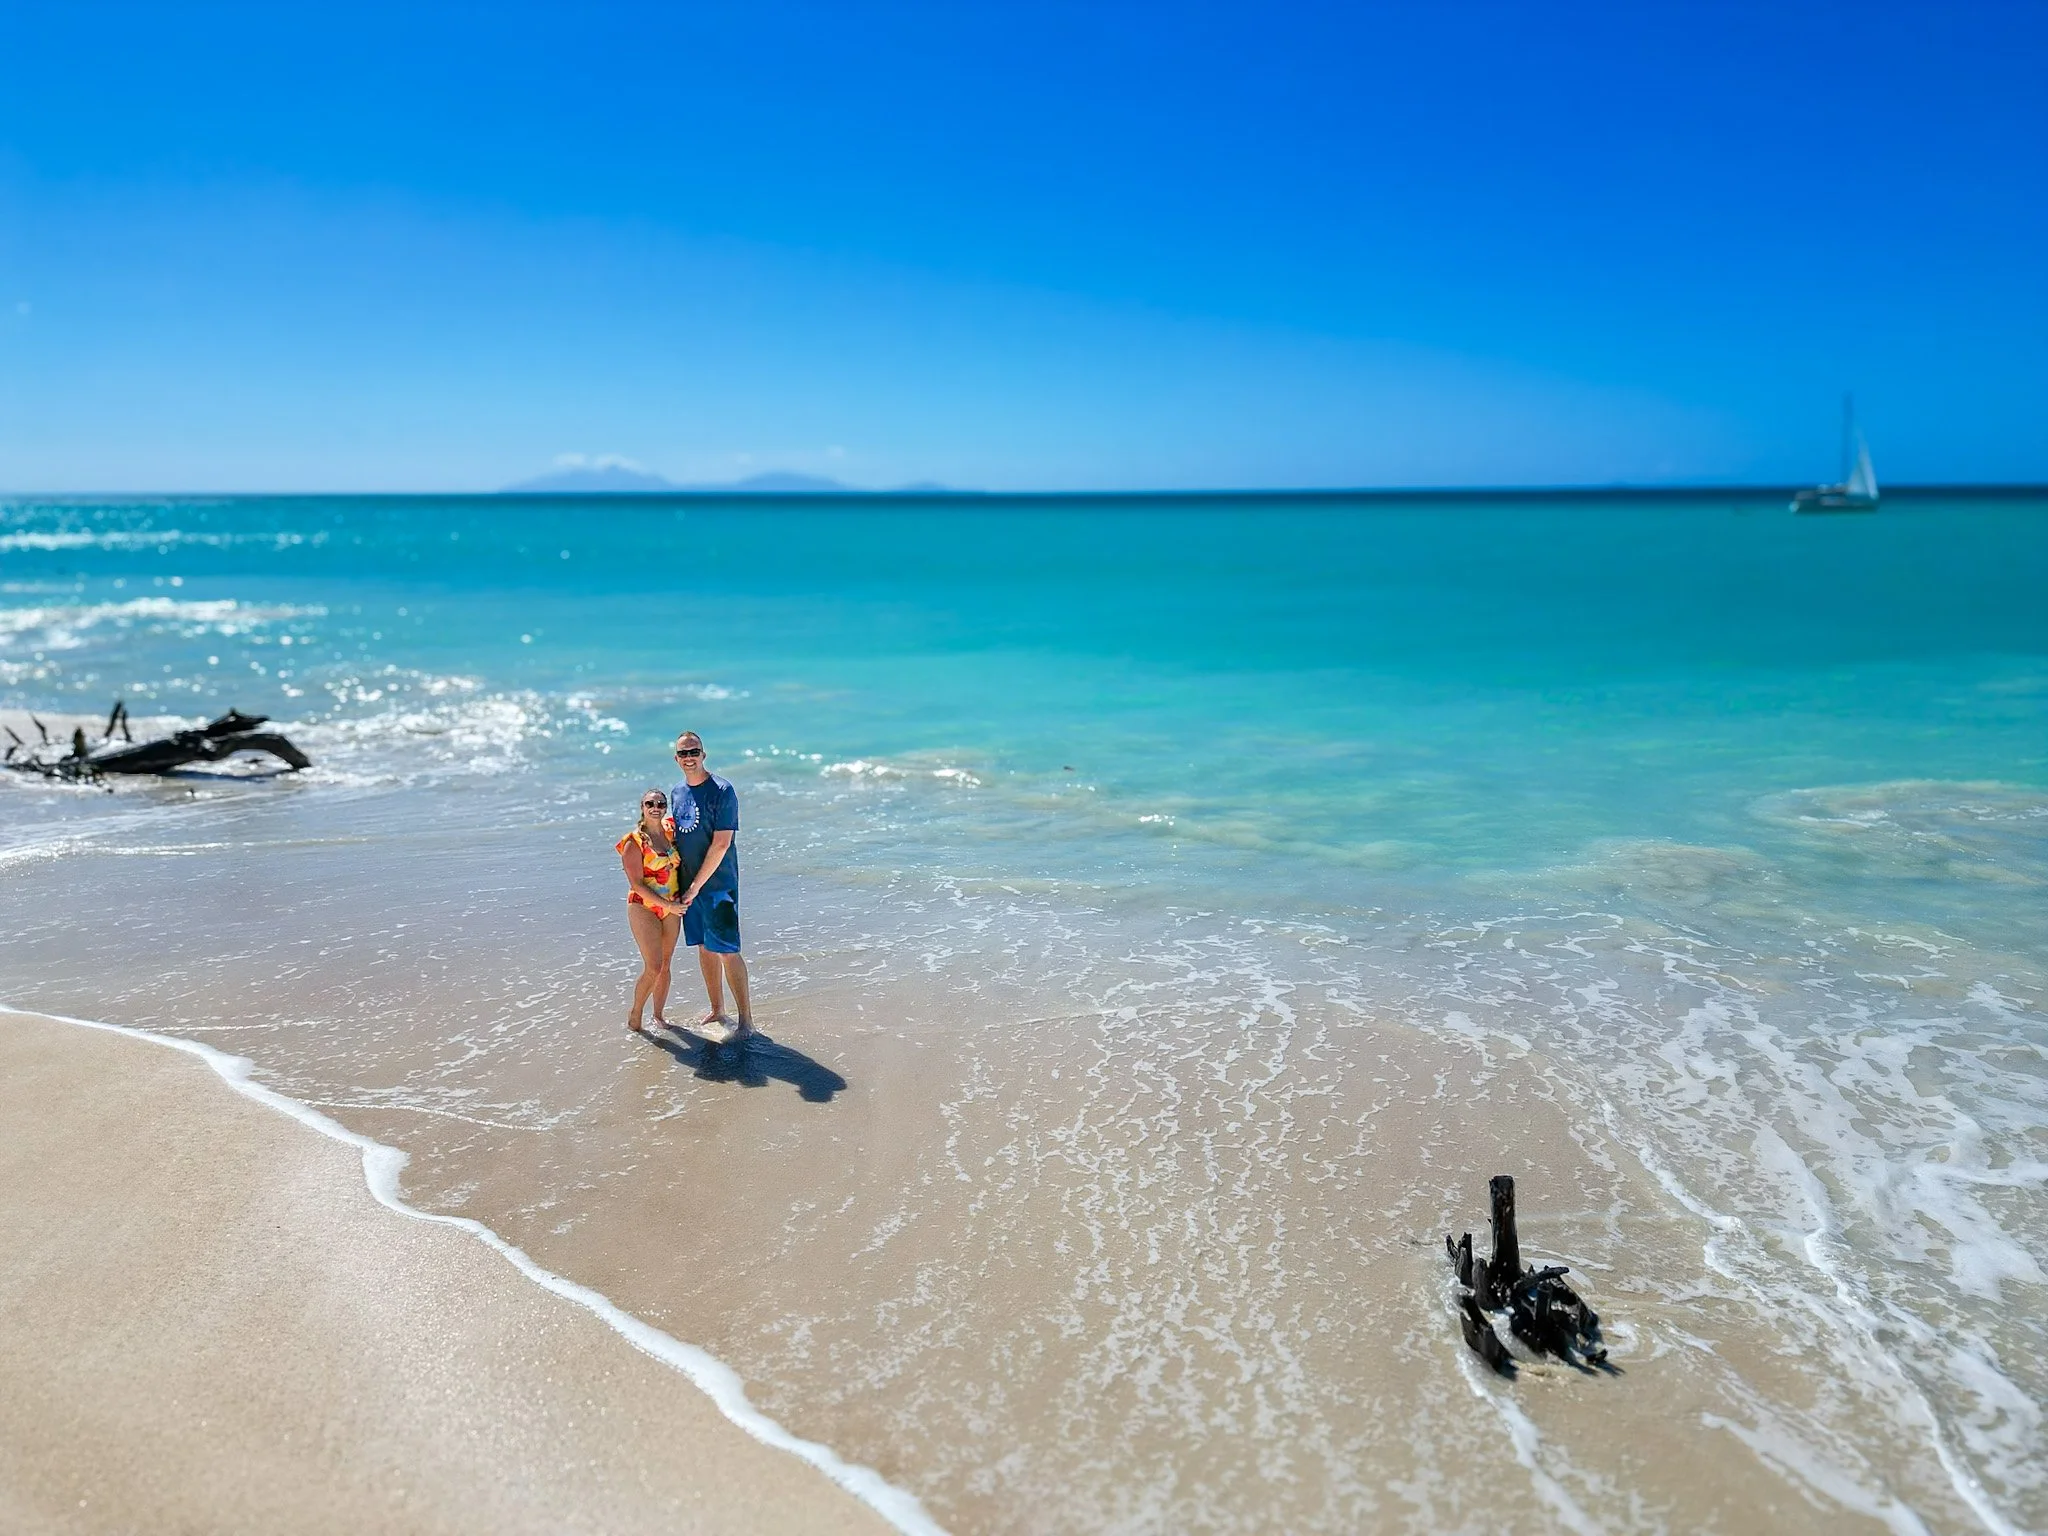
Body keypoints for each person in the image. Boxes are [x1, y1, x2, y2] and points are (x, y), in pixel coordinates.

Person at [667, 731, 751, 1038]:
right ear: (676, 759)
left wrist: (695, 887)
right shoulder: (676, 793)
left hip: (719, 886)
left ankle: (746, 1022)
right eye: (683, 753)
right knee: (703, 948)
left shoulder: (722, 791)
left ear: (704, 754)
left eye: (694, 752)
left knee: (728, 951)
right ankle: (718, 1009)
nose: (689, 758)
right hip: (689, 886)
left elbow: (720, 844)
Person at [616, 788, 683, 1033]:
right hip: (644, 906)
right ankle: (636, 1013)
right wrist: (667, 905)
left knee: (666, 964)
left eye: (661, 803)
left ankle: (658, 1015)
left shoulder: (669, 831)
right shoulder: (633, 842)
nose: (656, 807)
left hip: (672, 907)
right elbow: (636, 884)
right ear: (642, 807)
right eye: (650, 803)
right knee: (653, 966)